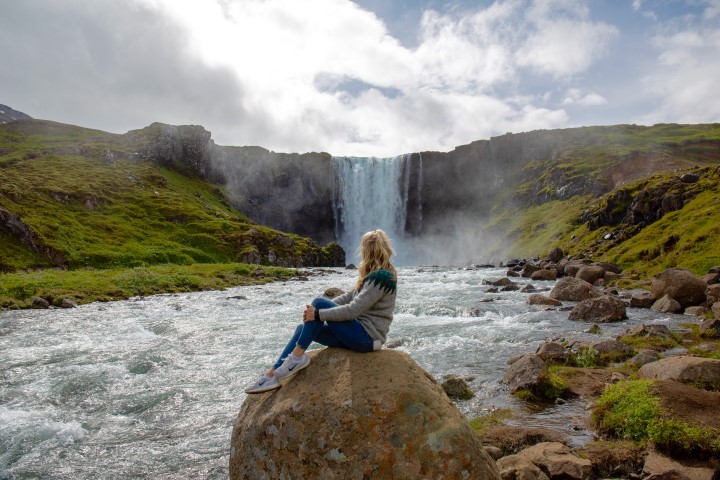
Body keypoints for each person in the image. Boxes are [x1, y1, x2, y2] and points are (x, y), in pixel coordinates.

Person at [244, 229, 397, 394]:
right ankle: (273, 375)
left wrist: (318, 313)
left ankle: (296, 358)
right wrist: (316, 312)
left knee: (319, 302)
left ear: (366, 250)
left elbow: (353, 310)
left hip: (368, 337)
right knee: (302, 328)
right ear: (385, 248)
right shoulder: (372, 275)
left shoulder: (382, 277)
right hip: (357, 334)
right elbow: (347, 298)